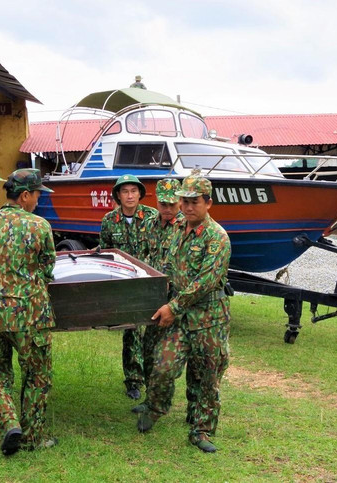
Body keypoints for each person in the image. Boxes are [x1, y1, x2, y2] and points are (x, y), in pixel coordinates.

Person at [137, 171, 232, 454]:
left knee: (206, 378)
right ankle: (156, 407)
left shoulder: (217, 238)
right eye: (185, 202)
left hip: (208, 320)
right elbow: (168, 266)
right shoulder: (179, 230)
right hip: (179, 318)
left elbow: (204, 282)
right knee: (163, 366)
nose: (188, 207)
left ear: (208, 203)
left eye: (195, 202)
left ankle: (201, 430)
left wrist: (172, 306)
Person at [0, 168, 57, 456]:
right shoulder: (39, 226)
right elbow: (47, 267)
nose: (38, 201)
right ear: (24, 196)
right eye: (36, 195)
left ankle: (10, 421)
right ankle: (32, 438)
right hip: (29, 315)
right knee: (36, 375)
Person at [99, 174, 158, 400]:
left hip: (148, 283)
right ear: (118, 196)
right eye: (125, 191)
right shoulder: (108, 221)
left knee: (152, 331)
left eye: (134, 191)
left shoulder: (152, 217)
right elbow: (106, 254)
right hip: (125, 284)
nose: (130, 195)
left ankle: (153, 377)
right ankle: (133, 380)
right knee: (131, 332)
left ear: (140, 194)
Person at [132, 178, 184, 414]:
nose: (167, 208)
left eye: (172, 204)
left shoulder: (187, 227)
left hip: (176, 300)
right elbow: (142, 255)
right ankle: (150, 398)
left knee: (167, 355)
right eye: (163, 203)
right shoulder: (149, 224)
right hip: (152, 297)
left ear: (180, 202)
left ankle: (160, 401)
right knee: (148, 349)